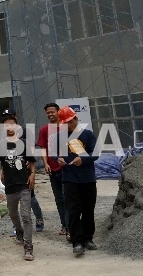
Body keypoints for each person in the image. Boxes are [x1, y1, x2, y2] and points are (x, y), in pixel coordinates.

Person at [0, 112, 36, 262]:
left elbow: (31, 161)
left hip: (24, 184)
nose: (9, 126)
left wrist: (32, 174)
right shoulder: (0, 145)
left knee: (26, 216)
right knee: (13, 214)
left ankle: (28, 247)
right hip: (10, 185)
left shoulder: (24, 143)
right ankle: (19, 231)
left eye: (12, 124)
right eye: (6, 124)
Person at [55, 106, 98, 256]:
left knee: (88, 210)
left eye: (69, 122)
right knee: (73, 210)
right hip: (70, 179)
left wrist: (83, 159)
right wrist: (58, 159)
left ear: (76, 119)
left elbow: (96, 153)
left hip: (87, 179)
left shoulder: (88, 135)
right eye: (65, 124)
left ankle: (88, 238)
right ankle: (77, 241)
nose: (68, 126)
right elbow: (55, 154)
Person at [0, 109, 45, 232]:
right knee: (13, 200)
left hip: (24, 169)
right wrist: (3, 171)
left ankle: (39, 218)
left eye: (10, 117)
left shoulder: (25, 132)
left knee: (31, 197)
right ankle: (18, 226)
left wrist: (31, 170)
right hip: (11, 171)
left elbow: (30, 148)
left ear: (16, 117)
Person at [36, 102, 68, 238]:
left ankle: (71, 225)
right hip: (52, 169)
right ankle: (64, 224)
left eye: (52, 112)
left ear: (58, 112)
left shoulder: (66, 127)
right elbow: (43, 148)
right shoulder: (44, 130)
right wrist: (45, 164)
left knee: (68, 197)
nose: (50, 114)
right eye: (47, 113)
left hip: (67, 168)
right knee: (59, 198)